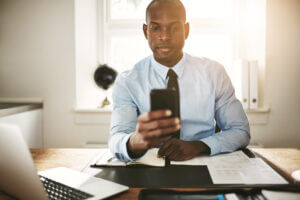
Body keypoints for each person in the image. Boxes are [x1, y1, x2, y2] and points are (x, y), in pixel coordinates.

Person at [109, 0, 250, 162]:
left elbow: (240, 130)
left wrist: (199, 145)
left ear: (186, 30)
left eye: (174, 27)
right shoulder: (127, 81)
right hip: (151, 167)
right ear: (146, 31)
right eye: (156, 28)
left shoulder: (214, 73)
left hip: (203, 163)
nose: (165, 36)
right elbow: (116, 139)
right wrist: (135, 141)